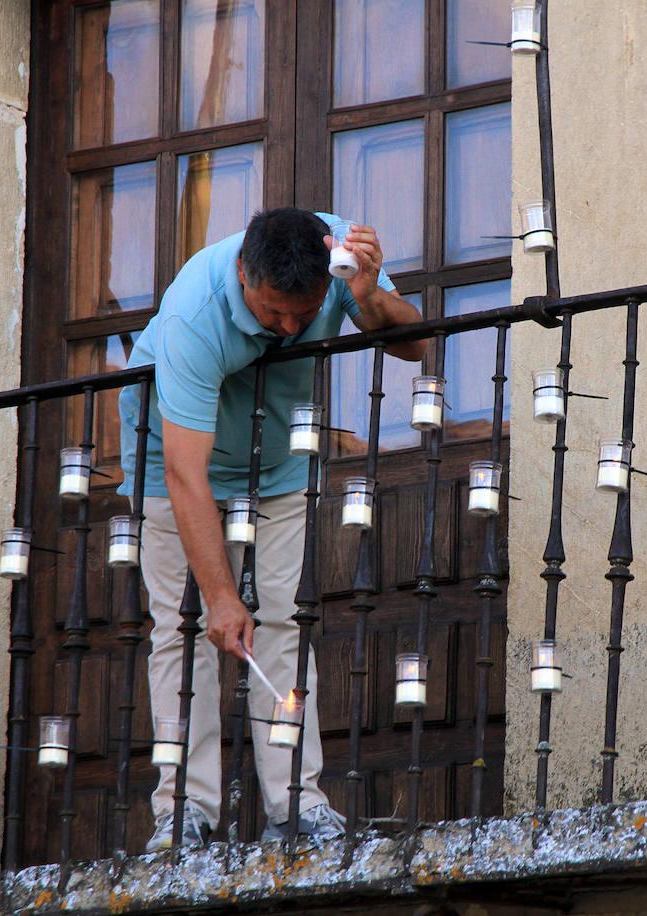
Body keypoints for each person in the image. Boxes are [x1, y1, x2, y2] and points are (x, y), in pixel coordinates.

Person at [118, 208, 426, 851]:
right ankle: (185, 814)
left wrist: (367, 298)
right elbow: (185, 475)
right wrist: (223, 598)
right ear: (241, 273)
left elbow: (414, 343)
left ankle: (296, 804)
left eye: (301, 314)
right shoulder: (192, 320)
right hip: (171, 464)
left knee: (282, 621)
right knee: (185, 631)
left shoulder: (338, 255)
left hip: (279, 460)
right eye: (271, 314)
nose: (288, 330)